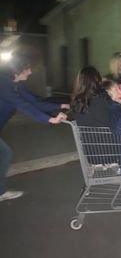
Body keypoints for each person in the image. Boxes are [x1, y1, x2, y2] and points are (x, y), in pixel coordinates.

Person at [0, 52, 69, 202]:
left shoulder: (17, 85)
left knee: (4, 154)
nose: (30, 71)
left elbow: (35, 102)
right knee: (4, 153)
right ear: (18, 69)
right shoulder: (3, 83)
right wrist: (50, 119)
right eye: (28, 68)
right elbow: (24, 106)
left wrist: (61, 105)